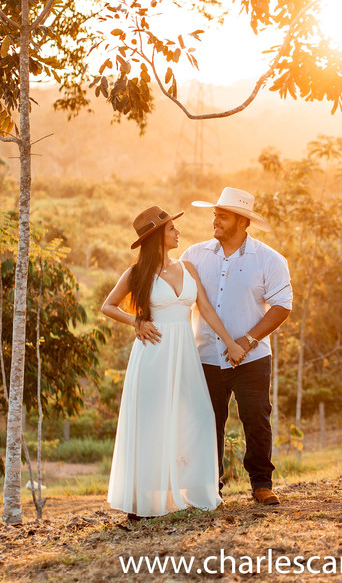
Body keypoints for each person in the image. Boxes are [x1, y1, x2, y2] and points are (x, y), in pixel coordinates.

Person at [101, 206, 246, 520]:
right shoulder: (136, 273)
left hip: (185, 354)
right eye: (171, 229)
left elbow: (206, 309)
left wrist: (231, 342)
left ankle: (195, 491)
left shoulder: (187, 267)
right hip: (153, 353)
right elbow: (108, 306)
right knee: (152, 421)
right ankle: (145, 502)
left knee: (199, 417)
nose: (177, 232)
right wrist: (136, 322)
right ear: (157, 237)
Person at [179, 187, 292, 506]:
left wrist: (247, 340)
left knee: (257, 418)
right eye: (215, 215)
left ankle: (261, 484)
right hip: (205, 356)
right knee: (207, 422)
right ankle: (209, 488)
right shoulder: (193, 256)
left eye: (223, 216)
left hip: (252, 359)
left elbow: (282, 306)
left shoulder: (270, 260)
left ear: (243, 222)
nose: (215, 221)